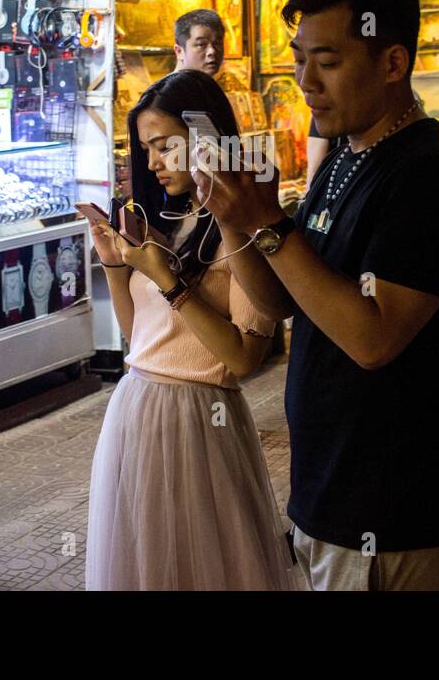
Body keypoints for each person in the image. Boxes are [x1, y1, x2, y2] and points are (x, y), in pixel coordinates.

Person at [197, 0, 439, 590]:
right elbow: (278, 304)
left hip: (399, 516)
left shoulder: (430, 171)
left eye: (327, 62)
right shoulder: (344, 159)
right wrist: (234, 216)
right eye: (300, 59)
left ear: (392, 62)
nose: (306, 80)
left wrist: (272, 226)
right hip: (328, 500)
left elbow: (372, 338)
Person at [84, 69, 293, 590]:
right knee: (148, 566)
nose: (152, 162)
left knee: (205, 569)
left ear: (203, 140)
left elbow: (244, 360)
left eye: (163, 146)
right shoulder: (171, 220)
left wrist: (169, 283)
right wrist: (115, 264)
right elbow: (142, 343)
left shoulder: (242, 228)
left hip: (200, 419)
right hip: (136, 407)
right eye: (144, 149)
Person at [172, 9, 225, 76]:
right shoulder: (172, 86)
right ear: (179, 51)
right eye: (201, 44)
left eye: (217, 43)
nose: (212, 51)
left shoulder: (201, 84)